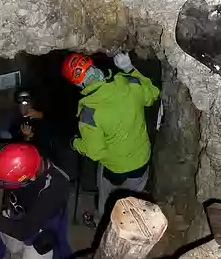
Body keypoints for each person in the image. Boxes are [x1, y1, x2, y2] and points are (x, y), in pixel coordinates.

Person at [62, 52, 160, 224]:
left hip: (114, 170)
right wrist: (130, 69)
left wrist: (75, 143)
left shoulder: (90, 112)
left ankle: (104, 222)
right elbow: (152, 95)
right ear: (95, 67)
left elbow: (96, 152)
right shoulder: (129, 83)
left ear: (79, 84)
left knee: (108, 202)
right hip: (142, 160)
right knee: (133, 201)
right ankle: (132, 226)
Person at [9, 89, 57, 161]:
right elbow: (19, 151)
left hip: (49, 157)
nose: (25, 106)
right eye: (22, 104)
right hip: (33, 158)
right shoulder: (15, 125)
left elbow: (58, 124)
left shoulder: (41, 116)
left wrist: (42, 115)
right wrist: (27, 138)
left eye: (28, 102)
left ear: (32, 103)